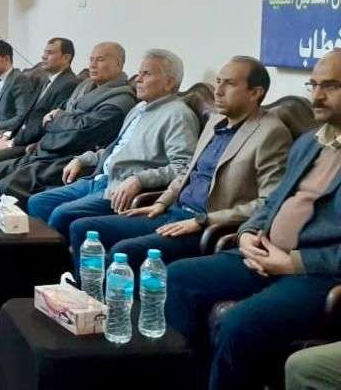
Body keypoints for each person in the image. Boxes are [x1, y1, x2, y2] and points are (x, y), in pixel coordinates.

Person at [165, 49, 341, 390]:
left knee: (238, 324)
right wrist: (248, 232)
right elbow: (272, 200)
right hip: (262, 252)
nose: (317, 96)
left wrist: (294, 262)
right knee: (178, 277)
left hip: (316, 274)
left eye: (331, 86)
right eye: (314, 85)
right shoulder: (310, 142)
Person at [69, 56, 291, 269]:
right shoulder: (216, 121)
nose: (218, 91)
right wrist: (161, 202)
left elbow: (267, 202)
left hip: (205, 226)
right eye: (218, 81)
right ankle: (83, 295)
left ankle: (108, 296)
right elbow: (188, 171)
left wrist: (203, 220)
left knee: (124, 251)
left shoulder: (271, 133)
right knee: (83, 227)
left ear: (255, 93)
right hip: (173, 211)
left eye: (230, 84)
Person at [25, 49, 199, 238]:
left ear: (169, 82)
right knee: (38, 202)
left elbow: (183, 167)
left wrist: (139, 179)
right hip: (99, 178)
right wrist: (83, 159)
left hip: (120, 189)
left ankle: (56, 256)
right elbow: (117, 149)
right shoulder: (139, 108)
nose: (138, 79)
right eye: (139, 73)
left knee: (62, 214)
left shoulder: (178, 115)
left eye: (146, 74)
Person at [0, 42, 137, 200]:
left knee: (4, 187)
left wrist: (58, 120)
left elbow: (79, 131)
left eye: (100, 60)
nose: (92, 65)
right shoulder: (85, 85)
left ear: (118, 64)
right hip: (47, 150)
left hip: (69, 158)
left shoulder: (121, 100)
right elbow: (57, 114)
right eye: (91, 59)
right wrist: (61, 120)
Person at [0, 37, 79, 173]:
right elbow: (25, 114)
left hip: (31, 144)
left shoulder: (68, 84)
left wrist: (11, 143)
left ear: (66, 57)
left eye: (50, 53)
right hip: (17, 136)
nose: (43, 56)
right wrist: (7, 134)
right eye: (44, 52)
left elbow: (46, 124)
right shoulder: (44, 81)